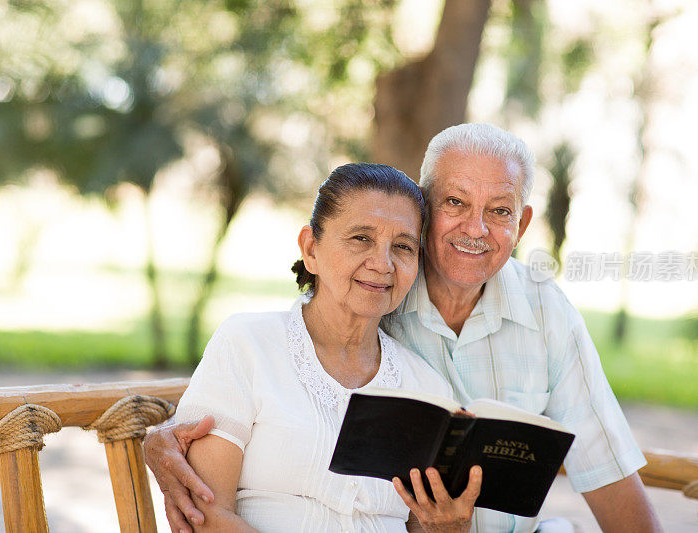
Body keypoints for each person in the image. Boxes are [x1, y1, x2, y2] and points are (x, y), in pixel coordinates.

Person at [145, 124, 663, 533]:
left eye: (499, 211)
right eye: (455, 203)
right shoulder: (300, 323)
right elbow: (210, 497)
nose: (476, 229)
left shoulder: (524, 326)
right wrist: (165, 433)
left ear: (522, 225)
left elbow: (608, 470)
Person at [170, 162, 482, 532]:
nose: (382, 264)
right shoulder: (247, 345)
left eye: (402, 246)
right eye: (361, 238)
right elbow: (205, 517)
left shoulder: (428, 390)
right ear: (311, 248)